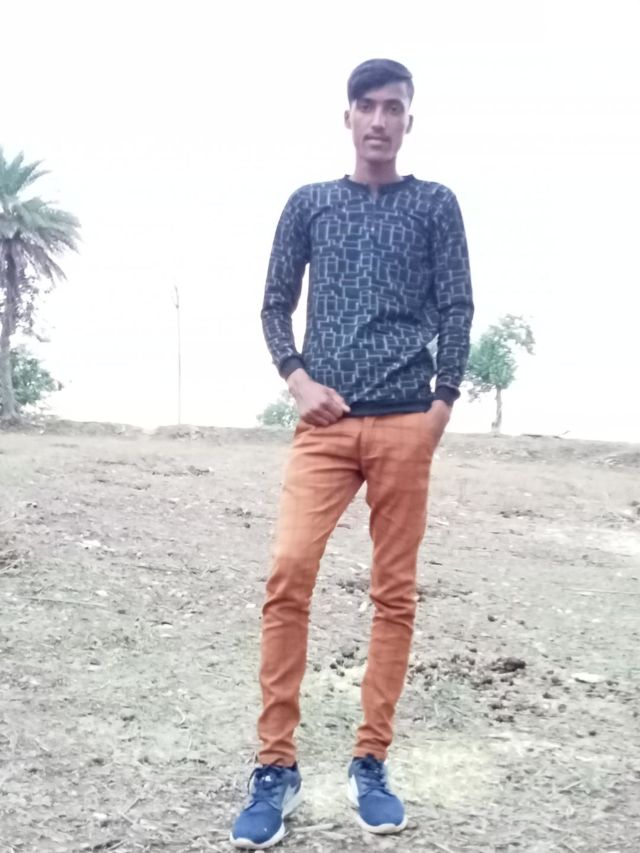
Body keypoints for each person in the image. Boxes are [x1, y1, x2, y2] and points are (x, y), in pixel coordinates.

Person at [230, 58, 474, 850]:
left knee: (393, 594)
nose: (378, 119)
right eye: (366, 106)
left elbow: (458, 305)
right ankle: (276, 766)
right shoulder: (311, 203)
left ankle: (371, 761)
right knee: (287, 575)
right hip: (325, 426)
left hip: (406, 422)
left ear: (408, 120)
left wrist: (440, 406)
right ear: (347, 117)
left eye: (392, 107)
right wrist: (297, 380)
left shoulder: (435, 204)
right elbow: (274, 303)